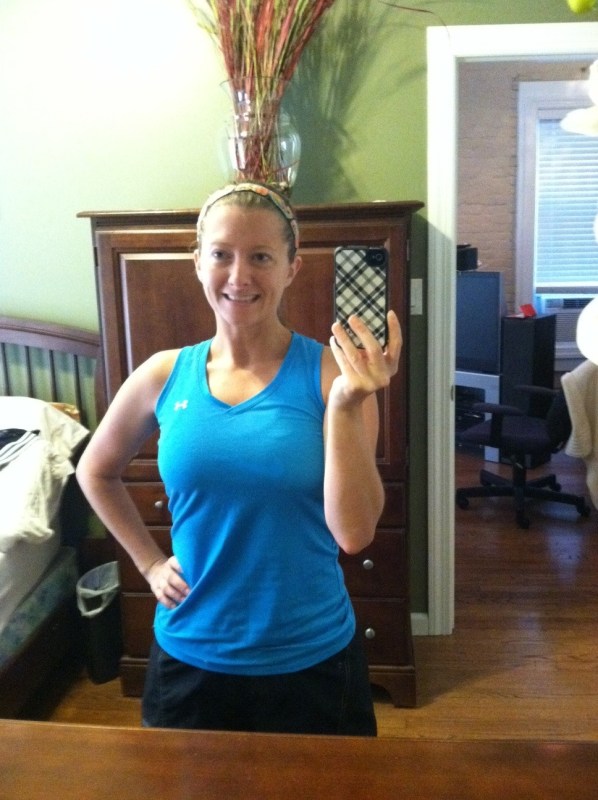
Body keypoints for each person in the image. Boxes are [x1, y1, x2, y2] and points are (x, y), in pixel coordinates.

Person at [76, 181, 402, 736]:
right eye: (221, 254)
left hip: (311, 658)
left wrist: (349, 404)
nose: (239, 276)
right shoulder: (162, 374)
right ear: (197, 262)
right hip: (191, 654)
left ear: (292, 268)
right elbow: (95, 471)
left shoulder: (335, 378)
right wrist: (149, 564)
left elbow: (353, 534)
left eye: (261, 257)